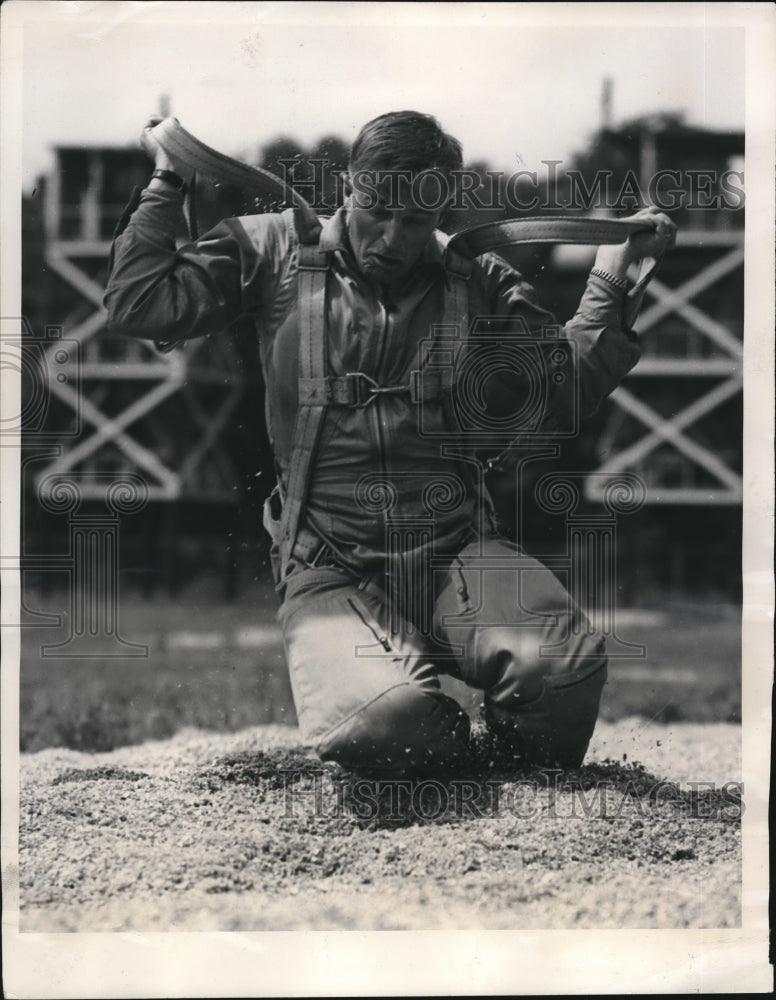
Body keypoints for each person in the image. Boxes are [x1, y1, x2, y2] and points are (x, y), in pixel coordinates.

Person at [105, 110, 676, 778]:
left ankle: (515, 784)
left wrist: (612, 278)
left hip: (455, 554)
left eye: (417, 220)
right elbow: (141, 304)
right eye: (379, 209)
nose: (394, 239)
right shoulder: (273, 251)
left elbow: (562, 392)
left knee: (561, 668)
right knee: (378, 722)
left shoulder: (478, 281)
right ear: (349, 183)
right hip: (329, 567)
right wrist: (168, 181)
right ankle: (449, 763)